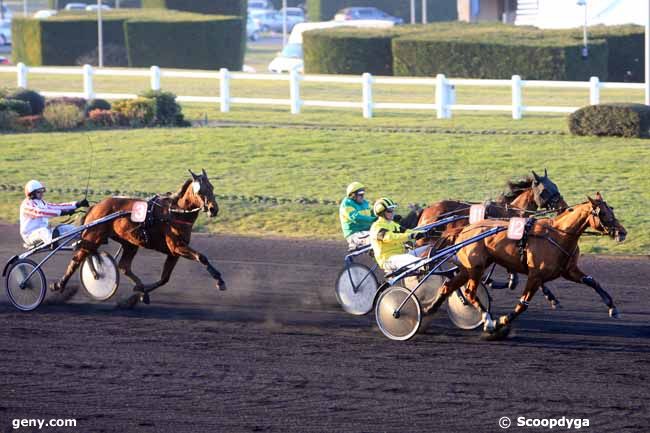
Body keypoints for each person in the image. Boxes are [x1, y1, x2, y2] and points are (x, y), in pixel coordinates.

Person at [20, 180, 89, 247]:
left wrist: (77, 204)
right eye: (39, 192)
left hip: (46, 232)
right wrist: (62, 213)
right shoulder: (26, 205)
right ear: (31, 194)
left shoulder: (42, 203)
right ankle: (51, 243)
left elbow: (57, 206)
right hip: (30, 236)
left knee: (65, 227)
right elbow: (40, 212)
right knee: (43, 231)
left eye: (42, 191)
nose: (42, 193)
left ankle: (85, 239)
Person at [369, 197, 429, 274]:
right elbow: (390, 237)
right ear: (382, 213)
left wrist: (424, 232)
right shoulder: (376, 227)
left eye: (393, 209)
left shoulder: (392, 224)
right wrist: (411, 236)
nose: (393, 212)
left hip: (401, 255)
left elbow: (407, 231)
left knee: (429, 248)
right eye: (390, 211)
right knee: (416, 261)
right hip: (388, 260)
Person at [339, 181, 377, 250]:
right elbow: (356, 218)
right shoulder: (346, 205)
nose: (363, 196)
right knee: (378, 238)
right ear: (352, 195)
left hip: (367, 231)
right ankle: (353, 243)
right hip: (354, 234)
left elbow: (375, 213)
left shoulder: (365, 203)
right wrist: (373, 219)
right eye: (360, 194)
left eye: (363, 194)